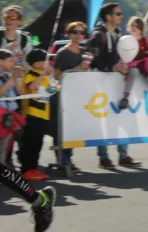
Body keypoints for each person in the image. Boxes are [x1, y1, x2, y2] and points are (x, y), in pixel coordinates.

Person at [87, 2, 140, 169]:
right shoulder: (98, 35)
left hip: (116, 82)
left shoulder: (117, 34)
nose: (121, 16)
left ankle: (123, 154)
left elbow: (120, 56)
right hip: (100, 84)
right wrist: (112, 67)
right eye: (118, 14)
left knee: (121, 117)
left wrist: (122, 66)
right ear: (108, 16)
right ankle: (103, 157)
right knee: (103, 119)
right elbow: (93, 61)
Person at [51, 22, 91, 171]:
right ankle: (63, 160)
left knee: (73, 129)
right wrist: (77, 68)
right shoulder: (63, 53)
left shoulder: (84, 52)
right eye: (74, 32)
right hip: (64, 97)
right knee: (62, 129)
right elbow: (57, 76)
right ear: (68, 34)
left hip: (79, 97)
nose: (78, 35)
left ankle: (68, 159)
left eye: (81, 33)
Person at [119, 17, 148, 123]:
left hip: (146, 65)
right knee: (133, 72)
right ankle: (125, 98)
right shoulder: (126, 40)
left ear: (141, 28)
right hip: (134, 65)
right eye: (132, 25)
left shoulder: (146, 40)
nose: (134, 28)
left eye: (137, 26)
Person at [18, 49, 53, 180]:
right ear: (37, 63)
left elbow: (45, 91)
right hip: (32, 114)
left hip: (43, 114)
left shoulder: (43, 76)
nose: (48, 63)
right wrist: (43, 74)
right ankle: (27, 169)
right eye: (45, 60)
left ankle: (33, 168)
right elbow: (32, 87)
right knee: (30, 143)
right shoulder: (31, 73)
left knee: (37, 143)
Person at [0, 49, 26, 166]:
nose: (13, 64)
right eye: (11, 61)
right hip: (1, 115)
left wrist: (16, 78)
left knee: (3, 147)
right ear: (1, 61)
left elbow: (20, 92)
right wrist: (11, 79)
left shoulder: (8, 75)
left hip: (8, 116)